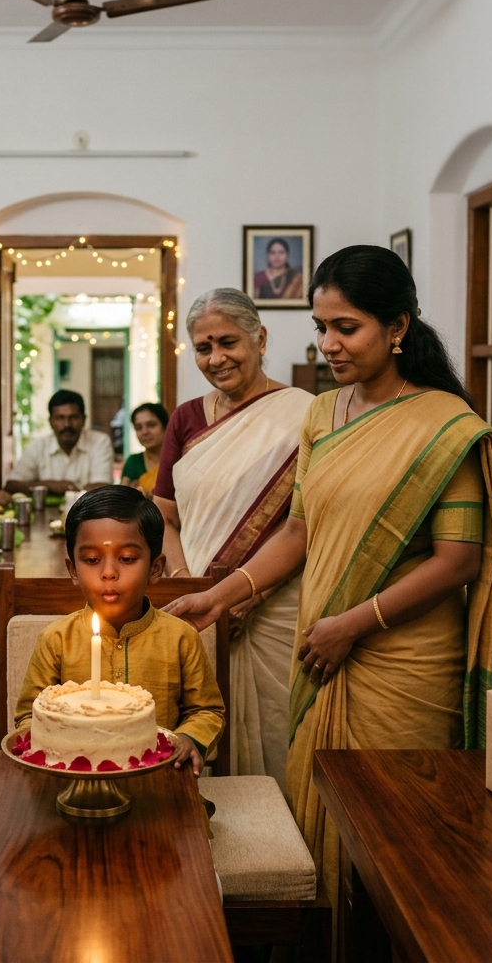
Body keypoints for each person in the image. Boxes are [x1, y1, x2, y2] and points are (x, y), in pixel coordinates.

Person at [166, 246, 492, 929]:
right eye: (320, 327)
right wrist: (223, 593)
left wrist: (351, 625)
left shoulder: (443, 426)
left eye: (346, 328)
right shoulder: (323, 413)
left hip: (402, 659)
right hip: (325, 644)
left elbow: (458, 561)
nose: (328, 344)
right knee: (317, 814)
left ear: (398, 327)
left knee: (398, 833)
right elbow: (299, 530)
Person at [153, 288, 312, 786]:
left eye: (228, 343)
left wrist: (249, 595)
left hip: (277, 610)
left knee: (276, 736)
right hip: (193, 609)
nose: (216, 358)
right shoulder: (186, 418)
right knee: (190, 734)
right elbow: (163, 517)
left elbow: (310, 525)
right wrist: (184, 583)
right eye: (204, 348)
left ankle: (283, 851)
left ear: (259, 338)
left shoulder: (307, 414)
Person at [14, 485, 225, 775]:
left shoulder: (180, 637)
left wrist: (190, 738)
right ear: (72, 569)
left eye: (126, 558)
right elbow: (29, 715)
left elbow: (207, 711)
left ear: (155, 568)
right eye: (91, 560)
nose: (109, 572)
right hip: (72, 780)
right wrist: (50, 743)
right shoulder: (56, 639)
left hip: (160, 780)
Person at [5, 389, 114, 494]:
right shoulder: (37, 447)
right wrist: (50, 485)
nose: (67, 424)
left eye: (73, 417)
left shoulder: (100, 442)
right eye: (60, 418)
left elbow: (103, 487)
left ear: (84, 420)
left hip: (87, 513)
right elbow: (12, 485)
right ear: (50, 421)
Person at [120, 402, 169, 496]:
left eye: (151, 425)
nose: (145, 432)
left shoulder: (176, 459)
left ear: (165, 426)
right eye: (138, 428)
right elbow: (123, 498)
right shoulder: (133, 461)